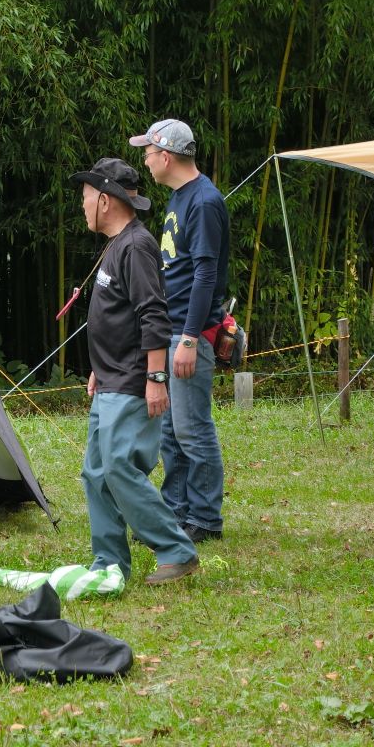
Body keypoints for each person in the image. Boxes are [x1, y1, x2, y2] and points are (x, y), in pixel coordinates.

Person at [73, 157, 199, 586]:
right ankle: (109, 562)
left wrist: (156, 378)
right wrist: (99, 367)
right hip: (110, 378)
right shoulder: (116, 245)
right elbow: (117, 317)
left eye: (86, 197)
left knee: (119, 468)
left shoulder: (136, 246)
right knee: (95, 473)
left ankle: (177, 550)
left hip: (132, 382)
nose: (83, 205)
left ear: (105, 200)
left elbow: (153, 315)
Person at [130, 119, 229, 543]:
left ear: (166, 156)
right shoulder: (179, 197)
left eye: (148, 153)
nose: (146, 161)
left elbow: (206, 273)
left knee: (192, 429)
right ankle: (176, 512)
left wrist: (189, 337)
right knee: (171, 432)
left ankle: (205, 518)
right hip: (172, 330)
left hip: (190, 332)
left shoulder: (203, 201)